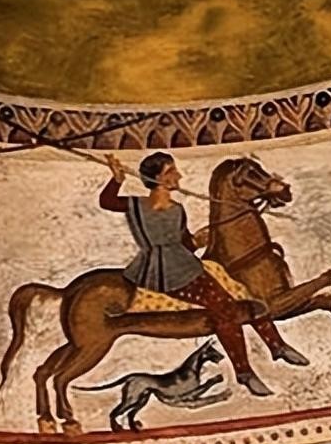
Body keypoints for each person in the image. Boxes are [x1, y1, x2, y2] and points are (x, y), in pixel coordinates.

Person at [99, 151, 304, 396]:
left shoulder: (177, 209)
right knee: (225, 309)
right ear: (159, 178)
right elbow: (107, 201)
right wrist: (117, 179)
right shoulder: (137, 205)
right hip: (163, 272)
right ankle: (245, 373)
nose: (178, 176)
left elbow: (184, 244)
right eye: (171, 172)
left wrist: (197, 240)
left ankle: (277, 346)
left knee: (242, 293)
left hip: (186, 265)